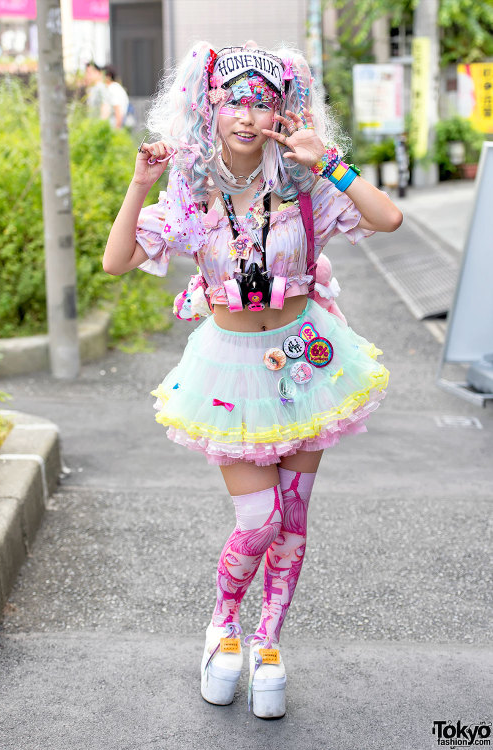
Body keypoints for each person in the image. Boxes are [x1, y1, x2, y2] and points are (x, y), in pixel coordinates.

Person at [103, 42, 402, 719]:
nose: (246, 116)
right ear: (209, 105)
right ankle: (222, 624)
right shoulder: (191, 187)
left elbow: (389, 218)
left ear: (281, 112)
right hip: (231, 373)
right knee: (260, 518)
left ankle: (268, 643)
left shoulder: (306, 184)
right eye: (234, 100)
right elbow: (116, 261)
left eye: (261, 104)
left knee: (292, 519)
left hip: (306, 363)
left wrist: (328, 160)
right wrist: (140, 185)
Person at [102, 64, 130, 129]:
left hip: (116, 125)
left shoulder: (112, 88)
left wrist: (117, 129)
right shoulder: (115, 87)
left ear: (108, 76)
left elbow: (118, 109)